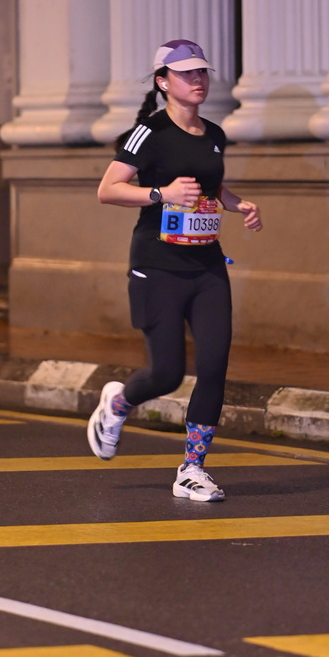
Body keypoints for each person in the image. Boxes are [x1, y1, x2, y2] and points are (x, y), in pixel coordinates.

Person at [87, 39, 262, 501]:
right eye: (186, 74)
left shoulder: (215, 133)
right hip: (157, 266)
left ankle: (192, 468)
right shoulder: (149, 132)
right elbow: (108, 189)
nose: (198, 80)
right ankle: (118, 402)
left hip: (207, 265)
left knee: (214, 366)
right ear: (163, 82)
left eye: (202, 72)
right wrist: (161, 194)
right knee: (167, 373)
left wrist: (237, 203)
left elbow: (210, 185)